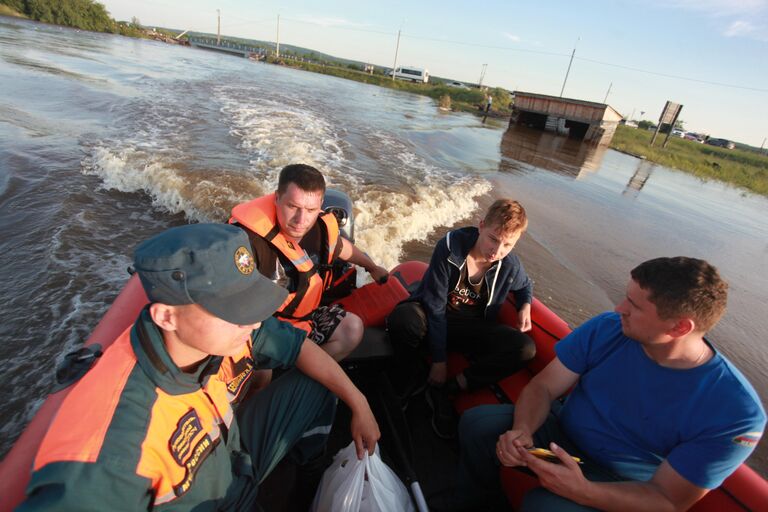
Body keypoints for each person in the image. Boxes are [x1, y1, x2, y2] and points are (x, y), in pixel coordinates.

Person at [19, 223, 380, 511]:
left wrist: (360, 403)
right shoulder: (113, 447)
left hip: (234, 461)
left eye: (251, 304)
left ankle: (306, 479)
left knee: (321, 384)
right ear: (167, 316)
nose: (254, 323)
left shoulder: (225, 333)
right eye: (235, 311)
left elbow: (299, 346)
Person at [457, 256, 766, 511]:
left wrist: (583, 491)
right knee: (478, 425)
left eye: (634, 305)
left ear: (680, 327)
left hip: (621, 480)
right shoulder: (609, 329)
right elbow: (543, 387)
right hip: (559, 435)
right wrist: (522, 430)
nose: (619, 308)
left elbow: (667, 499)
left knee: (546, 507)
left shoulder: (735, 413)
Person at [387, 199, 536, 439]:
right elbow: (434, 307)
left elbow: (525, 284)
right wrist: (439, 360)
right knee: (404, 319)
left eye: (507, 245)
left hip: (471, 327)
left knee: (525, 348)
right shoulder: (450, 248)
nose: (496, 251)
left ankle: (453, 387)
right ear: (481, 226)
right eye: (493, 239)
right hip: (432, 315)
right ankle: (406, 379)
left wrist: (525, 306)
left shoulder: (509, 265)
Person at [230, 164, 388, 362]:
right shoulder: (245, 242)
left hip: (303, 319)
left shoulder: (320, 228)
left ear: (320, 204)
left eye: (311, 209)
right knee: (262, 371)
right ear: (277, 198)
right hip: (262, 328)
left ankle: (297, 379)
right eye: (293, 207)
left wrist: (371, 266)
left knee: (352, 329)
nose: (301, 220)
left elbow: (342, 248)